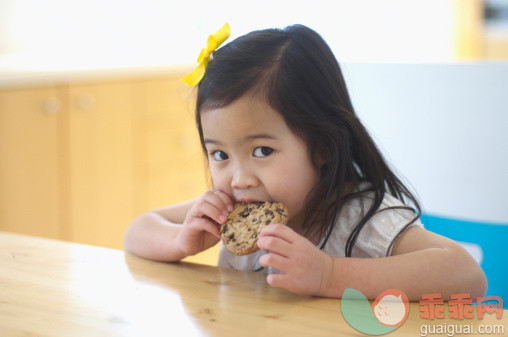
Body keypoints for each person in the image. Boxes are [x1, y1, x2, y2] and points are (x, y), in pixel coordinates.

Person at [124, 23, 487, 301]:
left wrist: (330, 275)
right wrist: (179, 241)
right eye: (220, 154)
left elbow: (468, 275)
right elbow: (137, 231)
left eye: (262, 151)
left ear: (322, 145)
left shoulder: (360, 218)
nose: (238, 178)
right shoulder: (231, 207)